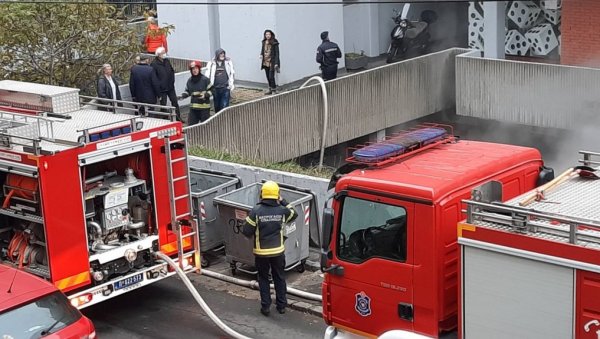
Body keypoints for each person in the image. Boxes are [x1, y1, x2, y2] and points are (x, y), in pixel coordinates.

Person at [242, 181, 297, 316]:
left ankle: (266, 306)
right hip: (278, 252)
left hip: (261, 253)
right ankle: (281, 306)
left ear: (262, 194)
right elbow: (294, 213)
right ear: (277, 195)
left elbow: (246, 231)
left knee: (263, 278)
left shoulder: (256, 211)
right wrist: (283, 201)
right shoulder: (283, 211)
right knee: (279, 277)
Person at [151, 47, 181, 121]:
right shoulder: (154, 64)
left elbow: (171, 71)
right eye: (163, 53)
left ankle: (178, 118)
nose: (164, 54)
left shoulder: (167, 61)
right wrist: (159, 88)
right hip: (162, 89)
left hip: (170, 87)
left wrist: (172, 82)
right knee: (163, 105)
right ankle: (165, 119)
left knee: (175, 102)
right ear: (158, 54)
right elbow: (154, 78)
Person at [179, 61, 212, 125]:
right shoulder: (190, 81)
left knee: (205, 127)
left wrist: (206, 95)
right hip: (194, 108)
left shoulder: (205, 80)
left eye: (196, 68)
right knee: (191, 126)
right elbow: (188, 91)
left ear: (199, 69)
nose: (195, 70)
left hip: (204, 108)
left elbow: (212, 90)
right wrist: (182, 96)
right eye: (193, 69)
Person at [206, 48, 235, 113]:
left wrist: (231, 85)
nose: (222, 55)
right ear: (217, 54)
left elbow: (231, 73)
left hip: (225, 88)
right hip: (215, 89)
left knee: (224, 106)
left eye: (223, 53)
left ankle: (224, 120)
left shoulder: (228, 62)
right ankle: (218, 120)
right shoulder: (211, 63)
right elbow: (207, 75)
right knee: (217, 106)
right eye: (221, 53)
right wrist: (208, 87)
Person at [260, 29, 280, 95]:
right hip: (265, 62)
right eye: (266, 34)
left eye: (269, 34)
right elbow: (262, 49)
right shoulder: (264, 42)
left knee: (271, 76)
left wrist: (276, 63)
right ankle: (270, 89)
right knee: (267, 76)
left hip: (272, 62)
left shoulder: (274, 42)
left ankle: (274, 89)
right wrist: (261, 54)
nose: (267, 36)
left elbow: (277, 53)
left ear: (271, 35)